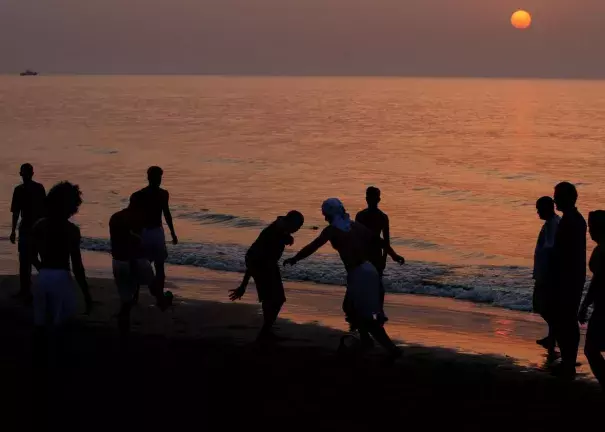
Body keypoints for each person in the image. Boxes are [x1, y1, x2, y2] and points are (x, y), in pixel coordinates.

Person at [284, 199, 405, 359]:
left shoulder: (332, 230)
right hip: (368, 270)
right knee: (350, 308)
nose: (325, 218)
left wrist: (295, 258)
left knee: (364, 315)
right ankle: (366, 339)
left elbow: (313, 246)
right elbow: (378, 240)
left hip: (359, 273)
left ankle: (390, 348)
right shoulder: (355, 226)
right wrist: (394, 255)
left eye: (325, 215)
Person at [30, 182, 92, 362]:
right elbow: (77, 266)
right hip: (61, 277)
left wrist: (42, 269)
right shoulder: (71, 230)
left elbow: (31, 255)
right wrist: (86, 293)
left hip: (43, 277)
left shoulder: (39, 225)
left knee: (40, 323)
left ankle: (38, 362)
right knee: (61, 324)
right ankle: (56, 361)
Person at [229, 211, 304, 341]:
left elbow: (281, 235)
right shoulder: (272, 234)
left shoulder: (281, 228)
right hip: (258, 263)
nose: (297, 230)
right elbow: (254, 260)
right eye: (297, 227)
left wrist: (287, 236)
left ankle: (267, 328)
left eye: (299, 228)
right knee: (273, 299)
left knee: (277, 299)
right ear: (290, 222)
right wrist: (243, 286)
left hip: (269, 263)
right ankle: (266, 330)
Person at [110, 193, 170, 337]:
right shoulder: (139, 218)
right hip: (136, 259)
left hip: (118, 261)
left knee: (125, 301)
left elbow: (115, 241)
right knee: (153, 285)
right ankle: (163, 302)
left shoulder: (115, 217)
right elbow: (137, 240)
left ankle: (123, 332)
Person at [550, 182, 586, 378]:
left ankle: (569, 361)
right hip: (570, 276)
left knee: (567, 319)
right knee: (565, 319)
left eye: (557, 196)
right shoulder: (572, 219)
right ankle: (567, 360)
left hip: (569, 278)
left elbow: (567, 253)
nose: (554, 200)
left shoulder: (572, 220)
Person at [132, 166, 178, 299]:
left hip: (152, 231)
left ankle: (155, 295)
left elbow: (167, 214)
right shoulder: (143, 195)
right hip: (150, 232)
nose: (158, 180)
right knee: (150, 265)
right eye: (157, 177)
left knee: (156, 265)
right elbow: (166, 214)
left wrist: (173, 233)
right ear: (150, 178)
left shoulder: (143, 194)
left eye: (159, 177)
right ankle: (153, 295)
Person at [9, 163, 46, 300]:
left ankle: (26, 289)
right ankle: (28, 288)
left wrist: (13, 231)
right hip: (35, 227)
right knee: (30, 258)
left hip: (29, 228)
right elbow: (45, 210)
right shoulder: (38, 188)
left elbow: (16, 213)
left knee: (26, 259)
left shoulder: (20, 190)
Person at [579, 210, 605, 389]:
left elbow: (598, 281)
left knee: (591, 348)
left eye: (592, 227)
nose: (589, 231)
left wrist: (585, 304)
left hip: (603, 307)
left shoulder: (602, 250)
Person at [532, 196, 560, 356]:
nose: (537, 212)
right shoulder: (550, 224)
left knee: (544, 306)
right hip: (544, 273)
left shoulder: (553, 225)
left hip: (548, 275)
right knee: (543, 306)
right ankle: (552, 335)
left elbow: (551, 248)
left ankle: (554, 335)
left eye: (539, 208)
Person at [355, 187, 391, 310]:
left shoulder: (382, 217)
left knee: (376, 285)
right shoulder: (361, 216)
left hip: (374, 255)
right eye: (370, 197)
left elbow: (386, 241)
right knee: (366, 285)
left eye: (373, 197)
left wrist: (384, 259)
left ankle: (377, 310)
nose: (371, 200)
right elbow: (356, 237)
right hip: (364, 254)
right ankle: (367, 310)